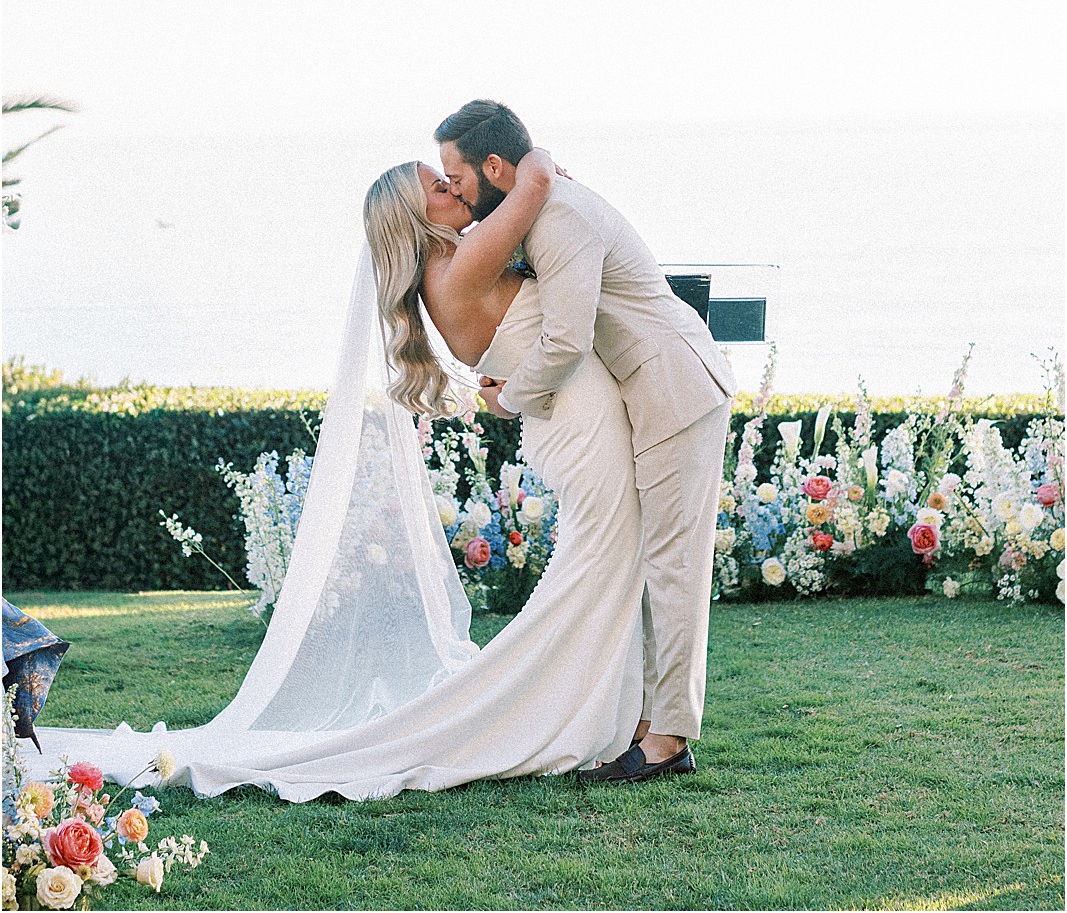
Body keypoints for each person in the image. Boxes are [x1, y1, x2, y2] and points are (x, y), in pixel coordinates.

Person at [21, 147, 649, 799]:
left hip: (584, 427)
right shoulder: (460, 264)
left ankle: (610, 714)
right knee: (594, 575)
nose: (453, 186)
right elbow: (542, 202)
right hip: (586, 434)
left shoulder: (450, 264)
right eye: (438, 185)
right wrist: (543, 176)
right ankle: (577, 719)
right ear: (416, 217)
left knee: (601, 575)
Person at [435, 99, 736, 782]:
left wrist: (509, 400)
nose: (451, 188)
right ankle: (645, 723)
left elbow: (565, 338)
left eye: (455, 174)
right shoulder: (539, 206)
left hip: (672, 389)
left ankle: (666, 741)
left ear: (492, 166)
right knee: (657, 562)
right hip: (653, 388)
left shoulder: (559, 216)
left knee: (671, 566)